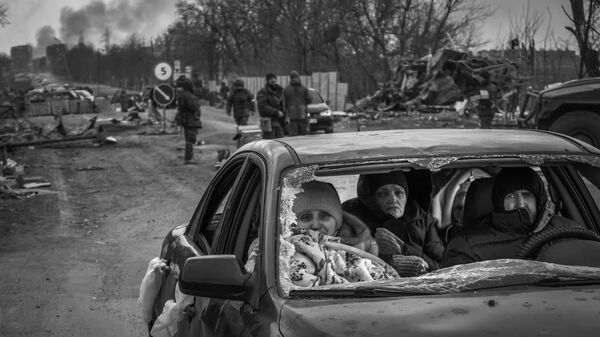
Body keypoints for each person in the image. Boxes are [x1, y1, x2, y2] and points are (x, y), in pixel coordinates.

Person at [245, 180, 397, 285]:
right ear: (292, 222)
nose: (316, 224)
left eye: (324, 216)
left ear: (336, 222)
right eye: (306, 217)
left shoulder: (362, 248)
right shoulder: (273, 248)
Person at [441, 167, 584, 267]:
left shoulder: (570, 231)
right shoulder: (467, 246)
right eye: (511, 196)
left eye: (527, 195)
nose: (520, 203)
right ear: (499, 202)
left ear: (539, 200)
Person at [342, 171, 445, 276]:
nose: (393, 199)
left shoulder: (421, 218)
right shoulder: (354, 218)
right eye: (383, 194)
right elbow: (342, 263)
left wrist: (404, 249)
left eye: (398, 193)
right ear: (373, 199)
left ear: (406, 194)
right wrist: (389, 262)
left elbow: (443, 266)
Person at [176, 79, 202, 165]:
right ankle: (189, 158)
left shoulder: (182, 95)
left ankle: (189, 157)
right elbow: (193, 107)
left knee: (188, 138)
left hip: (185, 119)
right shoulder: (189, 96)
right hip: (191, 119)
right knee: (191, 139)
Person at [282, 71, 312, 136]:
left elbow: (283, 104)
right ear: (298, 77)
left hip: (292, 115)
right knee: (303, 134)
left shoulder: (286, 89)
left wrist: (286, 114)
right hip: (302, 114)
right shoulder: (304, 88)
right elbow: (309, 100)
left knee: (294, 136)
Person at [256, 73, 285, 139]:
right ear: (267, 80)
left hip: (280, 122)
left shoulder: (281, 91)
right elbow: (263, 107)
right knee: (269, 142)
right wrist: (276, 112)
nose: (273, 80)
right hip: (268, 122)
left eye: (274, 78)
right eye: (271, 79)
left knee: (281, 143)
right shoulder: (263, 92)